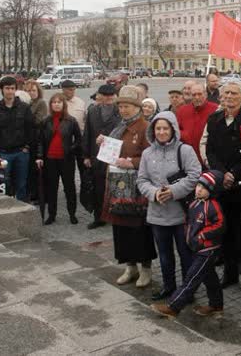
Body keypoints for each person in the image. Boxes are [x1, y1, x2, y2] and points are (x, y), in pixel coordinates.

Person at [201, 79, 241, 296]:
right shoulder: (214, 119)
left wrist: (234, 173)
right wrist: (221, 173)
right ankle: (230, 274)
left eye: (234, 93)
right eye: (226, 93)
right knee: (224, 232)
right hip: (222, 184)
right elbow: (210, 151)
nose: (229, 97)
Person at [137, 111, 201, 301]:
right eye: (158, 128)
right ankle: (169, 286)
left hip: (181, 213)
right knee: (165, 255)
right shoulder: (147, 153)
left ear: (173, 129)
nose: (162, 132)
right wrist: (154, 193)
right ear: (153, 130)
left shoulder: (185, 150)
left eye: (166, 128)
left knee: (185, 254)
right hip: (157, 212)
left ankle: (188, 290)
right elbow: (142, 179)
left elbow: (195, 175)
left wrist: (173, 191)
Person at [100, 85, 157, 288]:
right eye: (121, 106)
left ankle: (146, 269)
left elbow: (151, 156)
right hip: (118, 184)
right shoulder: (120, 126)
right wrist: (104, 142)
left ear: (137, 108)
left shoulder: (145, 127)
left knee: (138, 229)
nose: (123, 110)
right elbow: (114, 149)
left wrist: (131, 162)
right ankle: (129, 266)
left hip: (136, 186)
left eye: (127, 106)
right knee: (121, 227)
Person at [151, 170, 227, 319]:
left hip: (208, 249)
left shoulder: (212, 205)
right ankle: (216, 306)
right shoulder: (194, 203)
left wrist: (202, 236)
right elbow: (190, 222)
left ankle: (173, 307)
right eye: (198, 185)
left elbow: (221, 225)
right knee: (209, 277)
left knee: (191, 278)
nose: (199, 189)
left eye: (204, 188)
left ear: (211, 191)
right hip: (197, 248)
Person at [35, 93, 82, 225]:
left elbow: (79, 140)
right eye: (54, 102)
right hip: (50, 160)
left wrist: (71, 149)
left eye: (59, 102)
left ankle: (72, 214)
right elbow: (40, 141)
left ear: (63, 104)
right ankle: (52, 214)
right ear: (50, 105)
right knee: (51, 188)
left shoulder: (71, 121)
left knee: (69, 187)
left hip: (66, 159)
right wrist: (39, 156)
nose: (56, 104)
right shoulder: (45, 121)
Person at [82, 84, 121, 229]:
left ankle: (116, 216)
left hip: (115, 157)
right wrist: (85, 155)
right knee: (98, 189)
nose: (109, 98)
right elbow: (87, 134)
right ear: (100, 96)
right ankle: (99, 217)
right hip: (97, 155)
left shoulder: (120, 111)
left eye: (111, 96)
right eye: (105, 95)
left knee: (116, 188)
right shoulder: (93, 111)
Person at [0, 76, 35, 202]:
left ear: (15, 90)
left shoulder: (24, 108)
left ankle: (21, 210)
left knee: (21, 184)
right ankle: (6, 211)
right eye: (7, 88)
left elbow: (31, 130)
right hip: (3, 154)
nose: (10, 91)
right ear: (2, 90)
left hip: (21, 153)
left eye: (12, 88)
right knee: (3, 183)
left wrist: (27, 147)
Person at [176, 83, 219, 168]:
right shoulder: (182, 110)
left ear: (206, 94)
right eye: (194, 95)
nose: (197, 97)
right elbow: (176, 131)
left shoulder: (216, 109)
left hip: (208, 159)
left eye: (200, 94)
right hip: (187, 160)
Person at [25, 80, 48, 204]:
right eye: (28, 91)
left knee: (38, 168)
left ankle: (41, 196)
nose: (31, 93)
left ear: (38, 91)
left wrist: (27, 118)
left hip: (38, 138)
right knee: (32, 169)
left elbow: (39, 121)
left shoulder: (41, 103)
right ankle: (34, 193)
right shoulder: (29, 103)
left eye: (33, 90)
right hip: (31, 138)